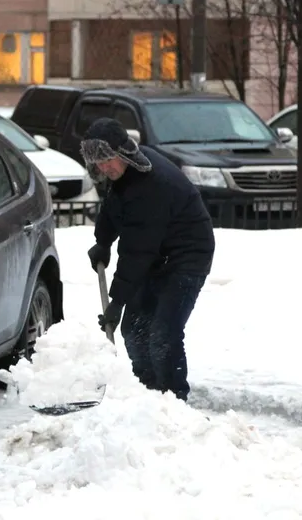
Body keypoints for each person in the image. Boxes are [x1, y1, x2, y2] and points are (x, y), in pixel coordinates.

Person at [81, 118, 215, 402]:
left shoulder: (151, 184)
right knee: (134, 330)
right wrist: (103, 241)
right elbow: (114, 207)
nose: (105, 168)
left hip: (187, 257)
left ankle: (174, 402)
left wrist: (116, 301)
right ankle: (150, 396)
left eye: (108, 160)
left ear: (123, 152)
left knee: (163, 334)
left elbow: (136, 250)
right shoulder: (124, 174)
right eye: (99, 163)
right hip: (156, 256)